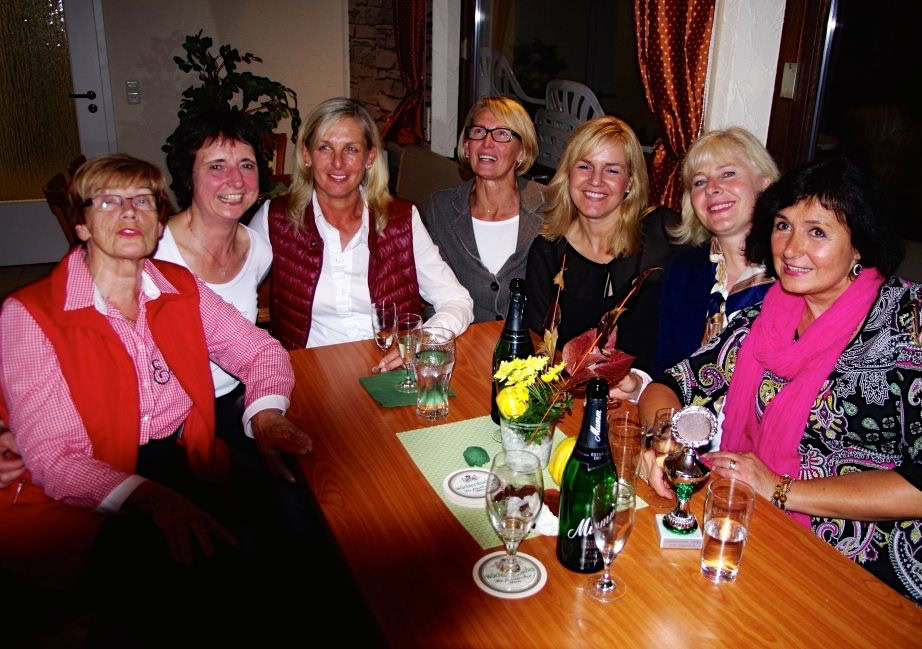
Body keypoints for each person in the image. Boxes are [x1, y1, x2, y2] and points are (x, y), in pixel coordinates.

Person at [0, 154, 310, 595]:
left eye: (143, 201)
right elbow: (55, 458)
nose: (130, 212)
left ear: (159, 223)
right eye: (108, 201)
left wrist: (265, 415)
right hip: (91, 490)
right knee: (187, 578)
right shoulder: (31, 314)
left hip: (184, 459)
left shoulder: (178, 286)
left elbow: (260, 351)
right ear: (81, 225)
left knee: (296, 520)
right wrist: (156, 500)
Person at [639, 157, 922, 604]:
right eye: (783, 226)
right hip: (750, 532)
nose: (790, 249)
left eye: (817, 232)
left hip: (866, 576)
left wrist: (780, 488)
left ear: (860, 246)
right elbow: (670, 384)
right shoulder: (763, 317)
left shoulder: (909, 324)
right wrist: (665, 439)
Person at [250, 97, 473, 370]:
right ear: (306, 155)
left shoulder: (402, 219)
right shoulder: (275, 219)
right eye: (324, 148)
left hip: (388, 375)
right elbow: (228, 302)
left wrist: (423, 341)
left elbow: (456, 300)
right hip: (307, 375)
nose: (338, 162)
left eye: (351, 149)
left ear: (370, 157)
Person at [155, 111, 305, 484]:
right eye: (216, 166)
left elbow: (253, 347)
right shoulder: (155, 253)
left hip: (238, 399)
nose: (236, 180)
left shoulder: (258, 250)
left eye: (247, 165)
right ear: (188, 176)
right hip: (168, 416)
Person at [524, 115, 677, 398]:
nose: (595, 181)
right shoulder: (547, 251)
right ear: (568, 174)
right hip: (570, 401)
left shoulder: (664, 236)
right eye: (584, 166)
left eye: (612, 170)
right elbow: (538, 349)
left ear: (630, 182)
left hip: (650, 402)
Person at [654, 127, 779, 374]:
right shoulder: (683, 270)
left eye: (728, 174)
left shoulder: (794, 269)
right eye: (699, 182)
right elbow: (665, 368)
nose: (711, 188)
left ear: (765, 185)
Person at [422, 97, 546, 321]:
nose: (487, 143)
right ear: (466, 146)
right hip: (464, 337)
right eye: (479, 132)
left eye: (502, 134)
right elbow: (434, 296)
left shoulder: (550, 206)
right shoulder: (440, 208)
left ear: (522, 151)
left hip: (531, 339)